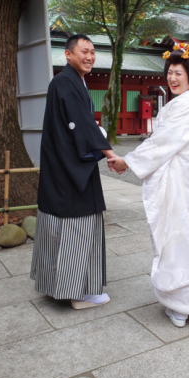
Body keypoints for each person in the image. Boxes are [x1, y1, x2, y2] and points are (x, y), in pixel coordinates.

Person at [109, 41, 189, 327]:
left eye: (178, 72)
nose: (172, 78)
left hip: (180, 188)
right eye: (170, 73)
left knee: (179, 241)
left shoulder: (181, 110)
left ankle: (182, 306)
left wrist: (127, 161)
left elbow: (160, 146)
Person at [31, 34, 118, 310]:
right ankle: (77, 294)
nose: (90, 56)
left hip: (62, 167)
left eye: (92, 52)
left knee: (57, 228)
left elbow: (81, 125)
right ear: (68, 55)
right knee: (76, 229)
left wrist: (99, 141)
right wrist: (111, 154)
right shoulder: (65, 83)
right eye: (84, 51)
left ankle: (54, 285)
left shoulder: (69, 82)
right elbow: (82, 126)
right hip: (70, 173)